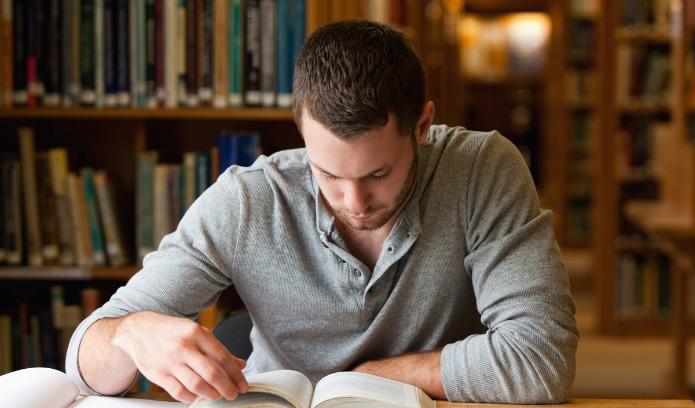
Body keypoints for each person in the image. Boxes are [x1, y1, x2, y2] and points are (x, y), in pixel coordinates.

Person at [66, 20, 578, 404]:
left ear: (422, 127)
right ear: (301, 134)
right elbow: (84, 364)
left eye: (379, 173)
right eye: (328, 174)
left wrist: (369, 377)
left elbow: (541, 360)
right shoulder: (248, 200)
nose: (354, 204)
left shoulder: (481, 170)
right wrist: (130, 334)